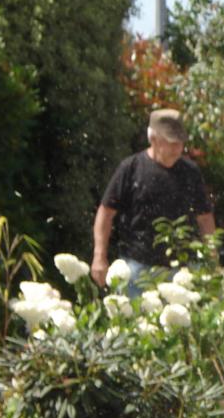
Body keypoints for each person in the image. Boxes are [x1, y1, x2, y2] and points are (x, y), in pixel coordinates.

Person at [91, 108, 216, 289]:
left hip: (181, 270)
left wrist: (211, 257)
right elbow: (106, 212)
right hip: (136, 268)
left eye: (180, 143)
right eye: (172, 142)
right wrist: (99, 256)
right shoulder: (131, 168)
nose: (178, 148)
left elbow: (204, 217)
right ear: (154, 139)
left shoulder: (190, 172)